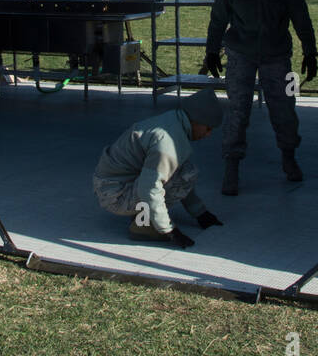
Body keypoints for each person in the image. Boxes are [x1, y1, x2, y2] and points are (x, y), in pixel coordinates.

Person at [202, 0, 318, 195]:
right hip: (240, 52)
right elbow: (218, 17)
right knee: (237, 110)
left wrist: (310, 51)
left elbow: (301, 17)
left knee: (285, 107)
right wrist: (211, 51)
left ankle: (289, 157)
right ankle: (231, 166)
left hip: (277, 55)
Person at [93, 88, 225, 247]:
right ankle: (145, 226)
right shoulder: (168, 142)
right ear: (196, 120)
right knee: (185, 175)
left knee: (182, 170)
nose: (208, 134)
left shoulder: (173, 121)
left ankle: (143, 215)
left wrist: (200, 212)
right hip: (114, 194)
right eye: (208, 128)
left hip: (114, 183)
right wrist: (168, 229)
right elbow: (149, 188)